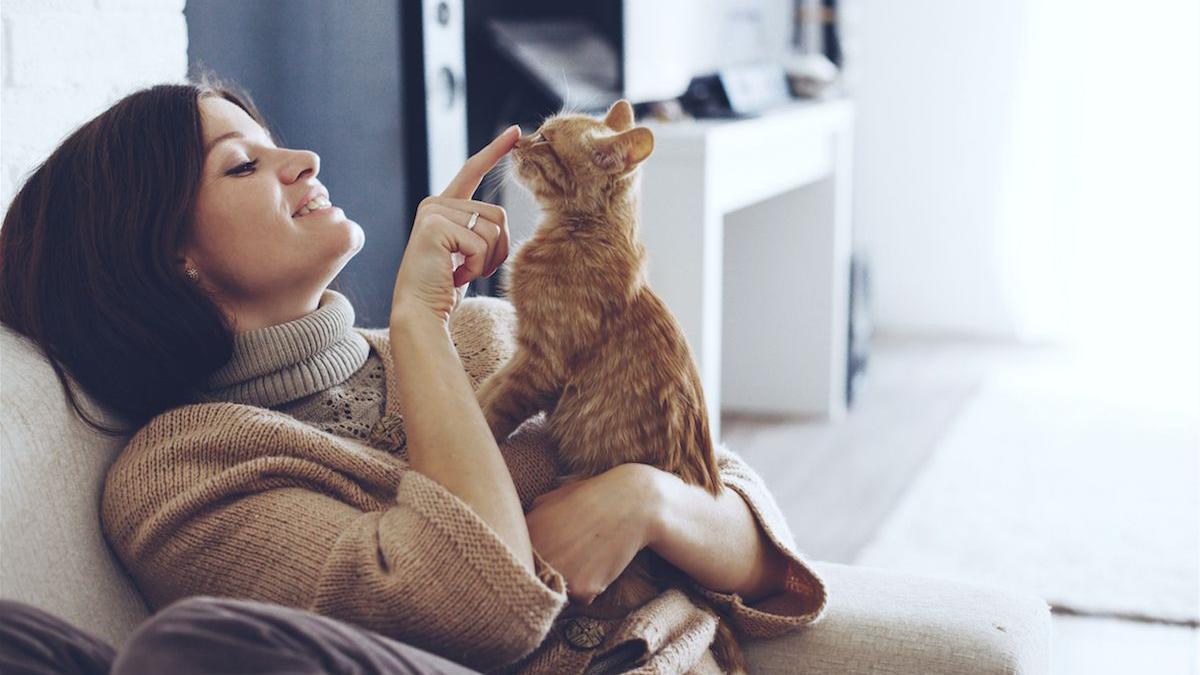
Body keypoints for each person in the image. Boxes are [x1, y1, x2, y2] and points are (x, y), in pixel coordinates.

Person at [0, 72, 828, 674]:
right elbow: (484, 605)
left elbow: (761, 555)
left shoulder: (489, 332)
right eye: (241, 165)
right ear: (170, 255)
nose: (302, 157)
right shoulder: (182, 473)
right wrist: (416, 324)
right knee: (179, 654)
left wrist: (643, 499)